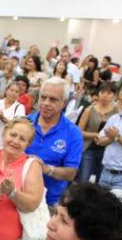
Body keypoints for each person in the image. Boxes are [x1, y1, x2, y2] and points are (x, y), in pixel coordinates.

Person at [25, 77, 83, 207]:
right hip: (19, 197)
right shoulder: (24, 123)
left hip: (49, 203)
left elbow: (71, 173)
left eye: (53, 99)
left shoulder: (73, 133)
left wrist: (47, 169)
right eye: (43, 97)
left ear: (64, 103)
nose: (46, 103)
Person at [77, 82, 118, 183]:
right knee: (84, 178)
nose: (104, 95)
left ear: (114, 95)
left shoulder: (116, 112)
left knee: (100, 180)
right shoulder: (89, 110)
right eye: (102, 92)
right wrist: (95, 135)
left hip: (106, 150)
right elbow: (79, 131)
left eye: (109, 93)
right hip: (88, 149)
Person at [0, 81, 25, 149]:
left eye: (17, 92)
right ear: (6, 90)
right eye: (12, 90)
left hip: (7, 145)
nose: (13, 93)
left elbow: (17, 128)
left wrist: (2, 118)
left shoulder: (20, 107)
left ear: (19, 94)